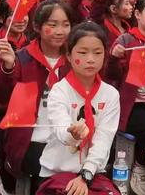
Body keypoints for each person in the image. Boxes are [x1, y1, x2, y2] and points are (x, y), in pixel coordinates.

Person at [0, 0, 73, 193]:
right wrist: (8, 67)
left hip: (69, 139)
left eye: (66, 24)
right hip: (32, 140)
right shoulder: (23, 58)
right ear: (37, 27)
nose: (60, 31)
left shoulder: (75, 58)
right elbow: (0, 98)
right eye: (52, 25)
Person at [36, 22, 120, 195]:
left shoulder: (110, 94)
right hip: (58, 171)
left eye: (97, 53)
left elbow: (104, 139)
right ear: (68, 54)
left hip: (93, 172)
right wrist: (71, 134)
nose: (91, 59)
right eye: (82, 52)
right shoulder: (59, 91)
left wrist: (86, 174)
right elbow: (61, 128)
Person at [107, 0, 145, 195]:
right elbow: (111, 75)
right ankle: (140, 165)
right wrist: (114, 58)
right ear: (138, 14)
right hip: (134, 103)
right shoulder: (126, 39)